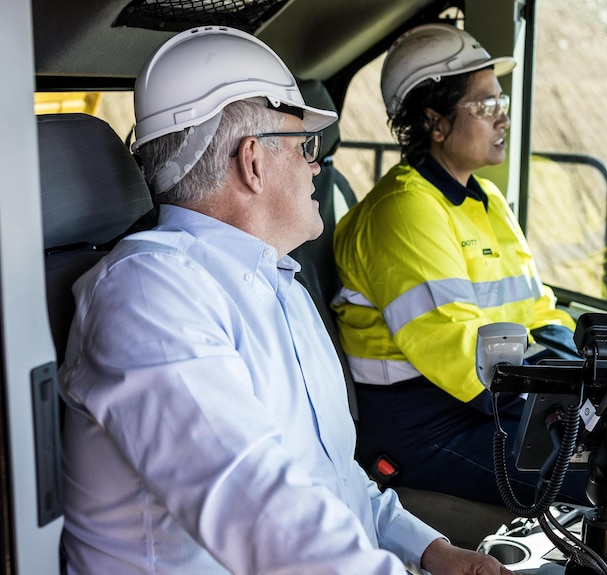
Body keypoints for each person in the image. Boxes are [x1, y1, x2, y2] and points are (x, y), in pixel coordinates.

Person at [58, 26, 514, 575]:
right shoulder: (148, 294)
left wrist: (435, 554)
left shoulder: (283, 287)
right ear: (252, 161)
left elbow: (334, 481)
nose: (316, 167)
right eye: (305, 148)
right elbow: (257, 507)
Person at [331, 23, 591, 507]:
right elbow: (463, 354)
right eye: (486, 106)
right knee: (600, 470)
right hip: (426, 425)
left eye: (502, 104)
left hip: (491, 397)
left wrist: (580, 376)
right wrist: (564, 397)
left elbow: (539, 308)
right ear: (435, 121)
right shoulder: (404, 211)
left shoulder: (485, 198)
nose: (503, 120)